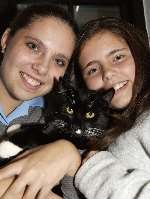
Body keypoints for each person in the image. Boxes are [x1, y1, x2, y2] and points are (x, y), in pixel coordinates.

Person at [0, 4, 81, 199]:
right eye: (33, 46)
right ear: (6, 40)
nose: (42, 68)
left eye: (59, 61)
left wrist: (70, 155)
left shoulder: (61, 125)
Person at [73, 17, 150, 199]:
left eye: (117, 57)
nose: (107, 73)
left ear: (139, 54)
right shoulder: (119, 125)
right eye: (92, 70)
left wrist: (96, 171)